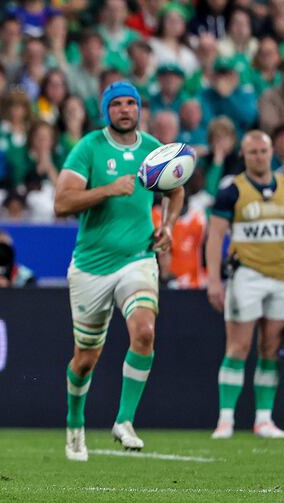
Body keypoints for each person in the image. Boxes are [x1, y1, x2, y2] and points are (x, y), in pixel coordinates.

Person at [53, 81, 184, 460]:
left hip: (138, 258)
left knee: (144, 332)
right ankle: (75, 422)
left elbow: (176, 190)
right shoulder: (89, 148)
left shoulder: (153, 150)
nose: (125, 110)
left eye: (131, 103)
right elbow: (61, 202)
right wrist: (107, 189)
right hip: (91, 265)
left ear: (139, 108)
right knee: (85, 358)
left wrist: (168, 225)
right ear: (106, 110)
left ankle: (124, 420)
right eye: (117, 104)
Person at [205, 130, 284, 440]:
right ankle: (225, 418)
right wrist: (214, 280)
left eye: (263, 151)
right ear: (244, 155)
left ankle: (263, 419)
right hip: (247, 276)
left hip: (283, 277)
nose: (258, 156)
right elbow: (214, 237)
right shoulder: (232, 191)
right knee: (238, 346)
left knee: (270, 347)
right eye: (252, 152)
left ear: (272, 153)